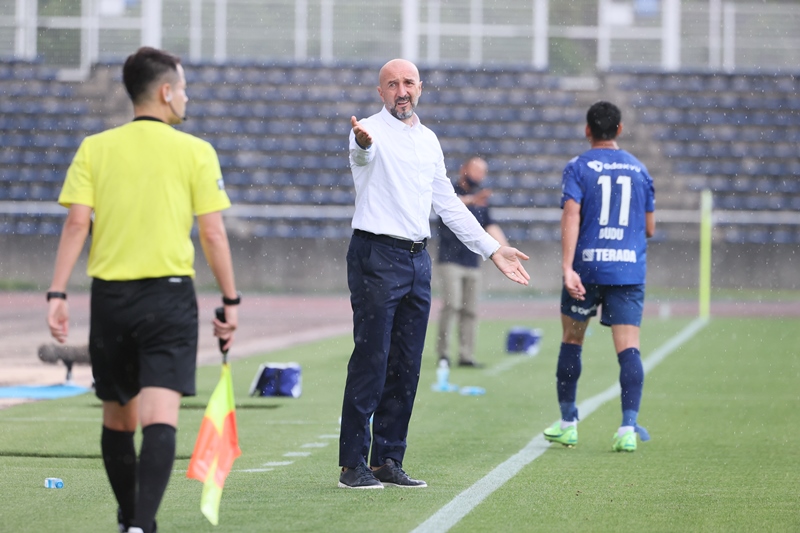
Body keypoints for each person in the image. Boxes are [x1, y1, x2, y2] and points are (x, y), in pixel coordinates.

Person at [46, 47, 240, 533]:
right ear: (165, 91)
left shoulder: (95, 148)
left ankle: (130, 518)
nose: (186, 96)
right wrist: (230, 300)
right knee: (160, 418)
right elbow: (213, 235)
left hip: (110, 299)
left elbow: (76, 224)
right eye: (183, 87)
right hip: (168, 299)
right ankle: (141, 524)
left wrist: (57, 293)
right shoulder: (196, 151)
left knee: (118, 418)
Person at [339, 58, 530, 489]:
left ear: (420, 87)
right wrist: (362, 145)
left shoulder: (428, 140)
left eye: (408, 82)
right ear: (381, 92)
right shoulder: (366, 131)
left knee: (407, 363)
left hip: (417, 258)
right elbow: (361, 155)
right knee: (372, 358)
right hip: (376, 255)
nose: (401, 91)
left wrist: (492, 249)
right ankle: (352, 465)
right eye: (392, 84)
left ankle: (388, 458)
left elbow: (448, 204)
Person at [543, 101, 655, 453]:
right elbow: (650, 227)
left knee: (572, 340)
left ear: (587, 130)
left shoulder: (578, 166)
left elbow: (571, 215)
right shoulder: (639, 169)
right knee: (629, 348)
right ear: (619, 129)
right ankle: (627, 428)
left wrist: (567, 267)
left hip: (587, 267)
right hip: (627, 269)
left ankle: (568, 424)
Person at [436, 156, 509, 368]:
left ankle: (466, 355)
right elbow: (448, 206)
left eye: (483, 172)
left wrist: (505, 248)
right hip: (450, 259)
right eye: (476, 170)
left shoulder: (481, 198)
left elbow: (490, 225)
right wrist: (472, 200)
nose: (479, 176)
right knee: (452, 305)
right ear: (464, 169)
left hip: (472, 260)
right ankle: (443, 354)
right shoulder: (450, 190)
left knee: (470, 310)